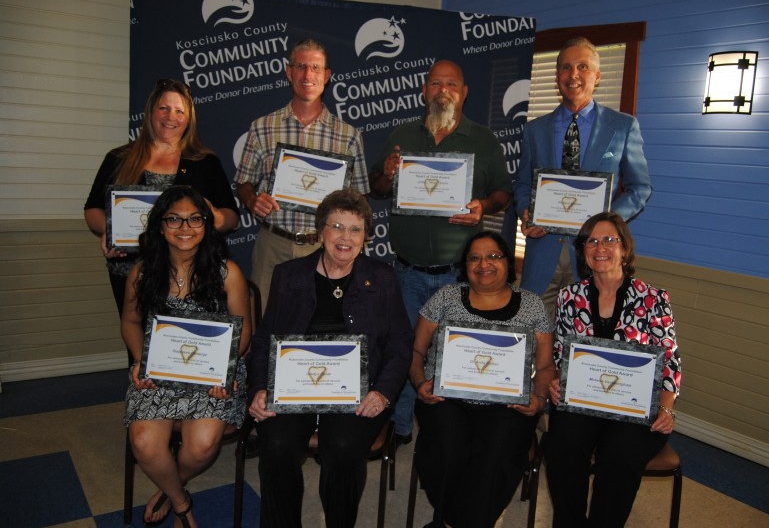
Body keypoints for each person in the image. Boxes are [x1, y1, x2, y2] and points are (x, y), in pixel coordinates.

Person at [247, 189, 412, 528]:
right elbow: (264, 339)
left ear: (366, 236)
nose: (345, 237)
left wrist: (382, 392)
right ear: (321, 231)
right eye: (336, 226)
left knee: (342, 446)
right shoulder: (288, 274)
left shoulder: (381, 278)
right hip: (294, 387)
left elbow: (399, 342)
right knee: (276, 444)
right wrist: (260, 388)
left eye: (355, 229)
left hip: (360, 390)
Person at [370, 59, 513, 444]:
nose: (443, 90)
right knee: (401, 352)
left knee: (459, 355)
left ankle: (452, 432)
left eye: (452, 84)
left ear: (464, 93)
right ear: (424, 90)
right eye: (436, 83)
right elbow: (377, 188)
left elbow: (504, 191)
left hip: (459, 275)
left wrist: (484, 205)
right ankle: (398, 426)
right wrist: (386, 172)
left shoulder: (483, 140)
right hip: (405, 272)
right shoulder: (402, 135)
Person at [121, 185, 251, 528]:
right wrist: (139, 360)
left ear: (207, 225)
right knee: (144, 443)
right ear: (160, 227)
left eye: (195, 219)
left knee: (203, 445)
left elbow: (245, 334)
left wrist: (223, 371)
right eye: (174, 220)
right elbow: (130, 321)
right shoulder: (142, 272)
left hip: (211, 375)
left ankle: (168, 485)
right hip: (158, 371)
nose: (185, 228)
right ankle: (180, 502)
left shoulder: (228, 273)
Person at [84, 78, 239, 363]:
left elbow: (231, 218)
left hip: (190, 273)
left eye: (180, 111)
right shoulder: (120, 158)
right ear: (150, 112)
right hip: (132, 268)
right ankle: (144, 399)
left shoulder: (204, 162)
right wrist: (106, 230)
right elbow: (93, 209)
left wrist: (216, 217)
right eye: (164, 108)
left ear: (189, 117)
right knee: (139, 345)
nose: (171, 117)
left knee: (184, 349)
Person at [408, 231, 556, 528]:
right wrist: (419, 382)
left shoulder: (531, 304)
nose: (483, 264)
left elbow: (545, 367)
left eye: (493, 256)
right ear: (465, 265)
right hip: (446, 396)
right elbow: (416, 350)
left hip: (507, 402)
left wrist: (538, 400)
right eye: (474, 257)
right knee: (447, 445)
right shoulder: (446, 297)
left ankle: (453, 522)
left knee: (498, 446)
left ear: (507, 262)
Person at [544, 211, 681, 527]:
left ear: (624, 248)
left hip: (634, 408)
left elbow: (671, 360)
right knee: (562, 446)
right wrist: (556, 382)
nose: (600, 246)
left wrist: (667, 409)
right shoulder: (569, 297)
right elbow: (561, 355)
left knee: (620, 455)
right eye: (592, 240)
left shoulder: (654, 299)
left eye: (609, 239)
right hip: (583, 402)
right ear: (584, 250)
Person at [513, 37, 653, 315]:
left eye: (582, 66)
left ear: (597, 76)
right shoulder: (534, 130)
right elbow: (522, 184)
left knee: (584, 344)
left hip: (596, 257)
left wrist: (606, 224)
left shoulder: (623, 127)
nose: (573, 74)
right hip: (542, 254)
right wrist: (526, 211)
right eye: (565, 67)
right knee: (536, 342)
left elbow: (640, 188)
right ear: (557, 76)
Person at [235, 38, 369, 314]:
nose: (308, 75)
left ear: (327, 76)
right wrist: (251, 201)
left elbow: (361, 199)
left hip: (324, 247)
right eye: (301, 67)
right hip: (274, 244)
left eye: (316, 68)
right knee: (264, 319)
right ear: (289, 72)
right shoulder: (262, 128)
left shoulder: (349, 136)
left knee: (322, 322)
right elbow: (243, 183)